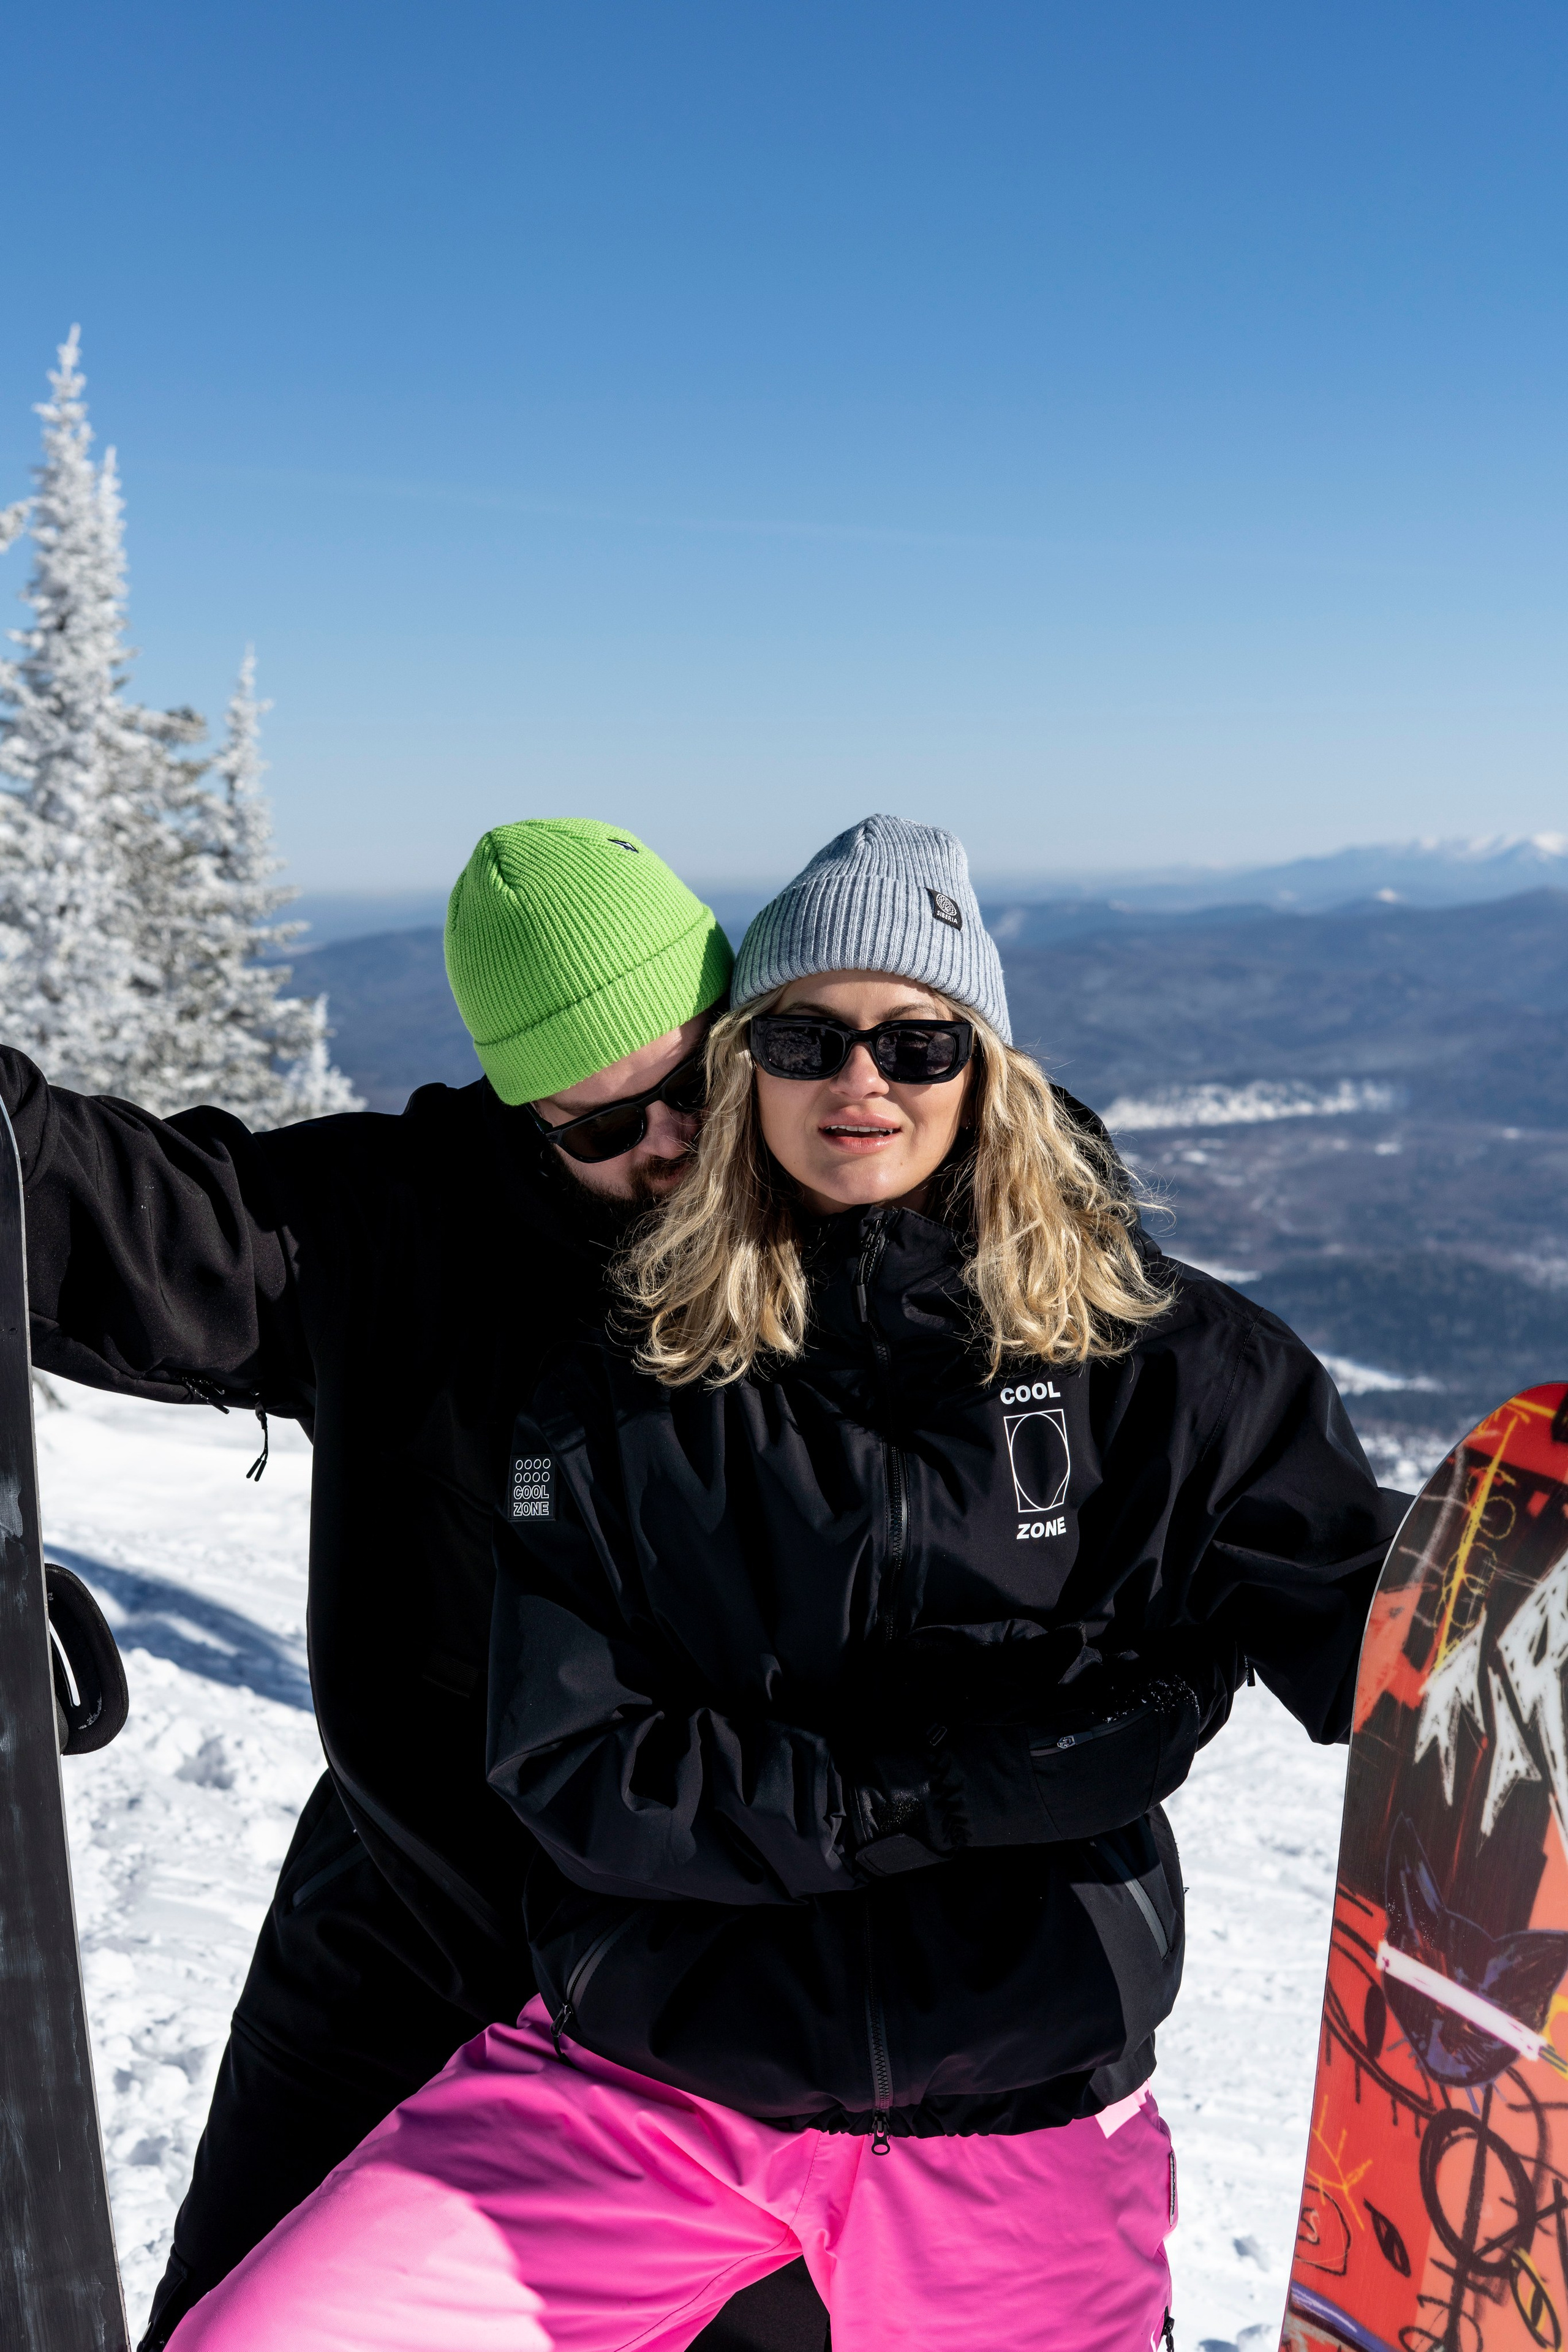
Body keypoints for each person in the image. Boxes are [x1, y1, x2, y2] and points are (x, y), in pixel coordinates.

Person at [164, 815, 1408, 2351]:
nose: (859, 1080)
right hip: (639, 2098)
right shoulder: (631, 1375)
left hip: (1010, 2122)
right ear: (747, 1066)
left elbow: (1387, 1640)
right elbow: (575, 1763)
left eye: (918, 1041)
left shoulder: (1162, 1369)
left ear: (988, 1063)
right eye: (806, 1037)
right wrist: (936, 1794)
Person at [0, 816, 829, 2352]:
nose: (661, 1143)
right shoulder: (404, 1230)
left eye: (693, 1086)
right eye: (597, 1125)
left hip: (734, 1996)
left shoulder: (842, 1211)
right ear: (524, 1117)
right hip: (411, 1917)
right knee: (231, 2325)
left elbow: (1124, 1414)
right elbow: (135, 1218)